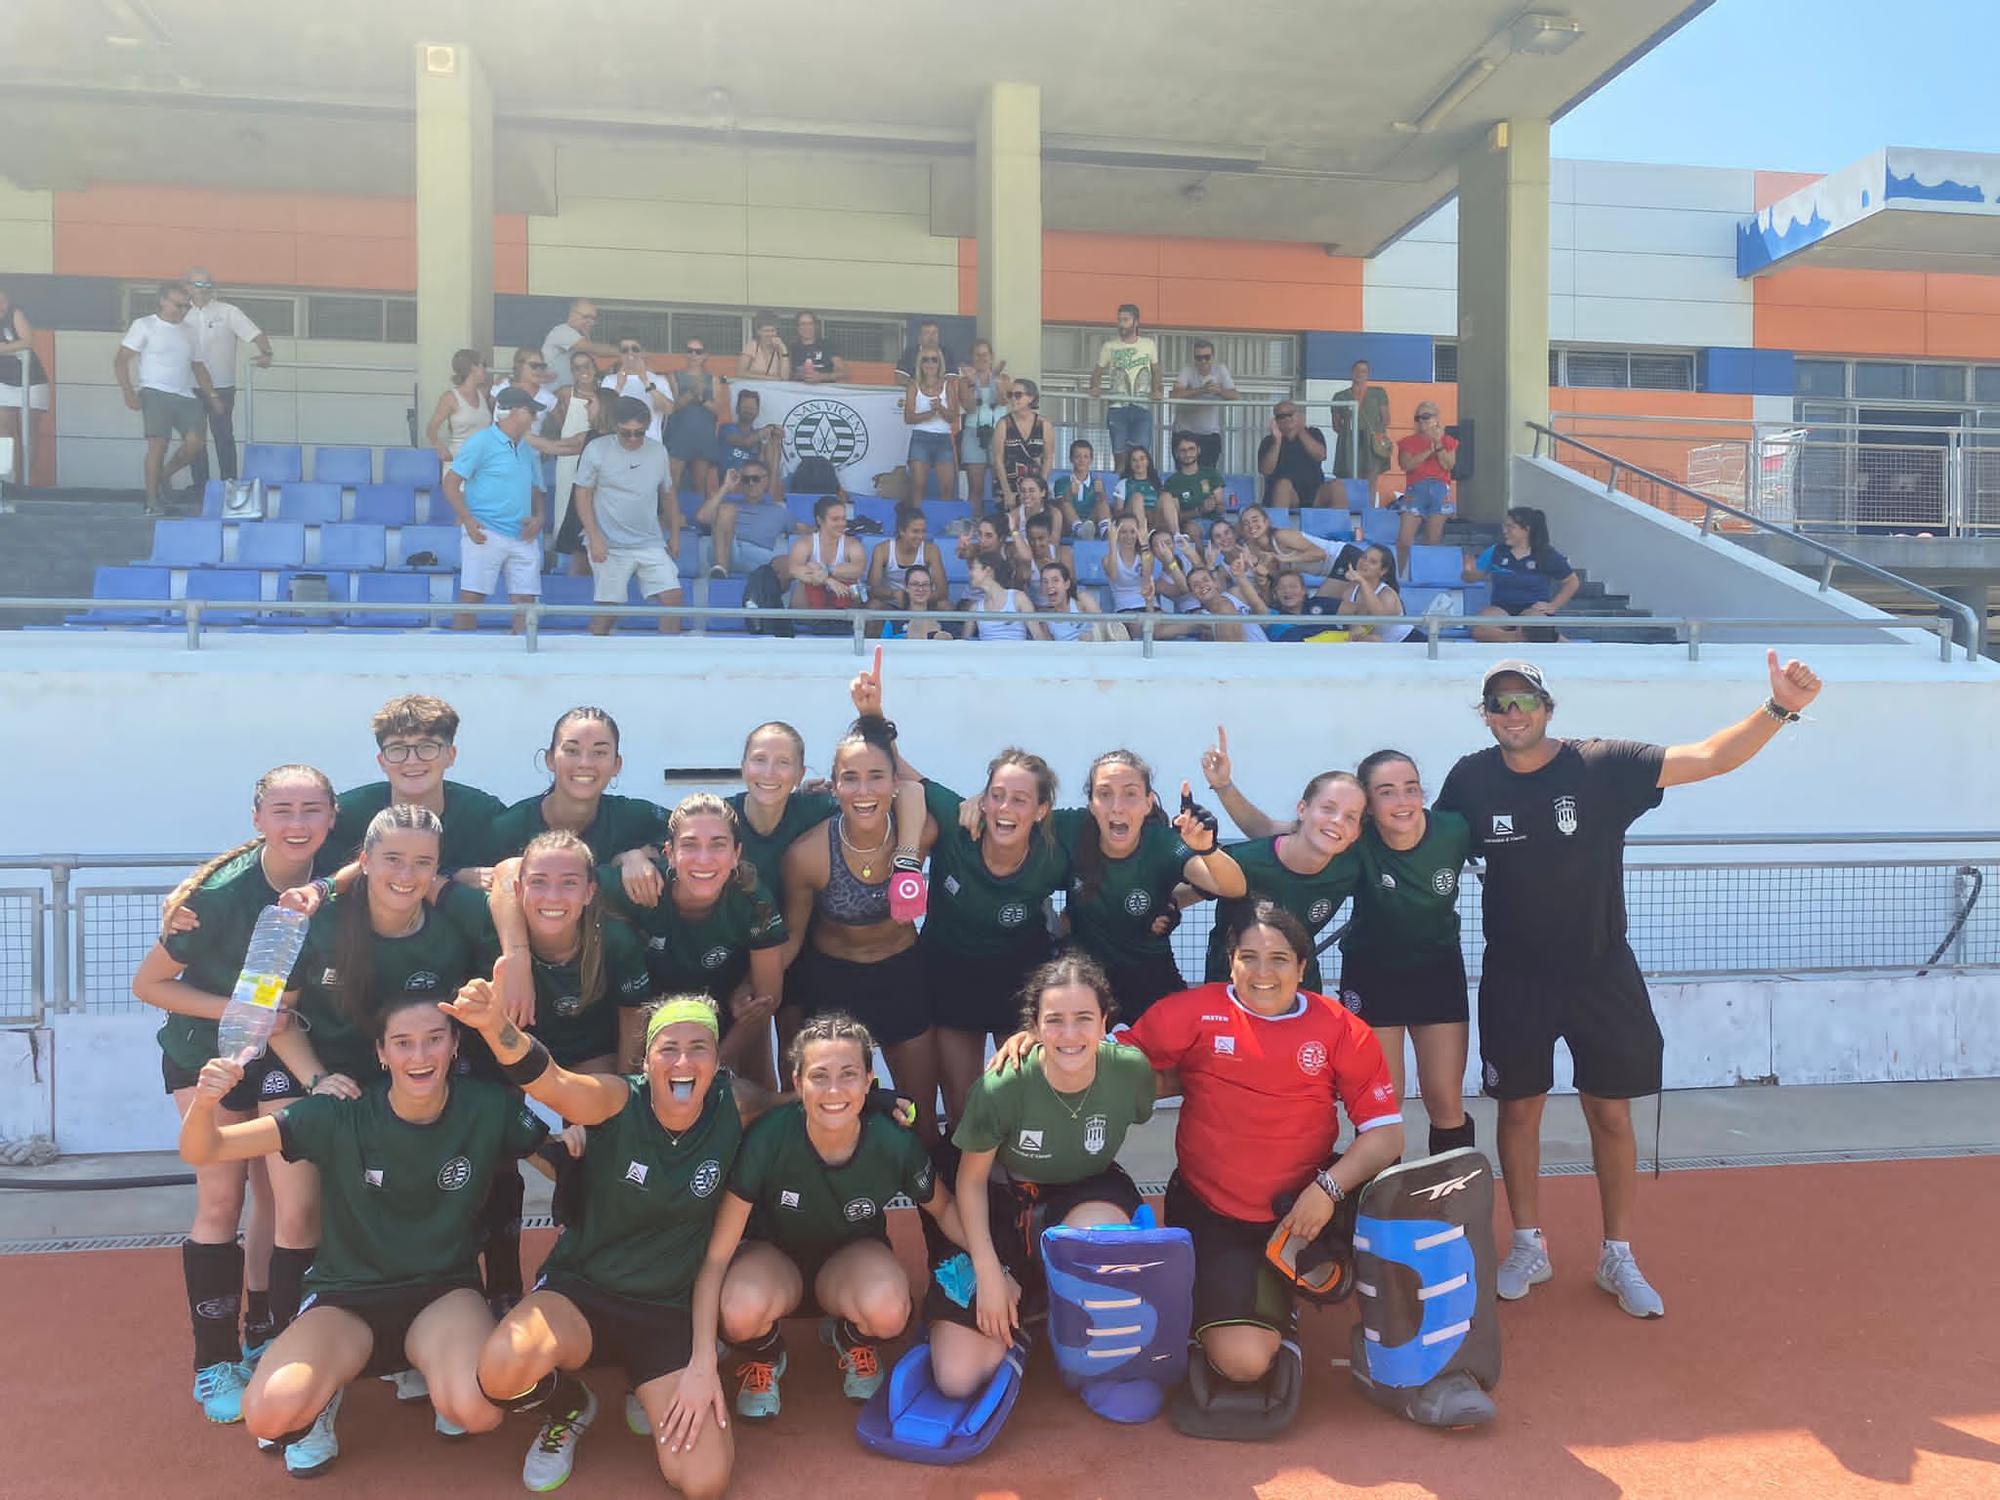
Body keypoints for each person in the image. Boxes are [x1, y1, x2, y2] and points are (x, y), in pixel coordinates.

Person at [1434, 654, 1823, 1319]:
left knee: (1610, 1113)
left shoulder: (1602, 765)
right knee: (1520, 1110)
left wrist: (1779, 709)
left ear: (1548, 708)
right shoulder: (1470, 779)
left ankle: (1618, 1253)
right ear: (1486, 716)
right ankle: (1528, 1243)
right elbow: (1421, 842)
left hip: (1601, 970)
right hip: (1514, 976)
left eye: (1523, 700)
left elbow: (1708, 758)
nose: (1512, 714)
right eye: (1498, 704)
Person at [180, 993, 549, 1477]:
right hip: (346, 1297)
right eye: (403, 1043)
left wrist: (575, 1147)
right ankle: (331, 1385)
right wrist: (206, 1104)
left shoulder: (486, 1105)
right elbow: (206, 1150)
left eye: (434, 1040)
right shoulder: (340, 1112)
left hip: (441, 1294)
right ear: (381, 1053)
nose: (420, 1056)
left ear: (455, 1045)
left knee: (476, 1412)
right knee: (268, 1413)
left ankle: (432, 1367)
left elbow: (559, 1158)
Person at [448, 985, 755, 1498]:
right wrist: (494, 1027)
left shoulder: (735, 1104)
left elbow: (806, 1105)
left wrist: (876, 1101)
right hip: (583, 1293)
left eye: (699, 1047)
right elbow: (553, 1082)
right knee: (500, 1371)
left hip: (665, 1311)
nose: (683, 1060)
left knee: (705, 1482)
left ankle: (644, 1382)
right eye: (669, 1048)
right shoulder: (618, 1097)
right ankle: (569, 1405)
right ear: (646, 1059)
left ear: (717, 1057)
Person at [1124, 904, 1403, 1395]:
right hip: (1214, 1211)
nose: (1262, 972)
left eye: (1278, 958)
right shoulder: (1193, 1011)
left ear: (1302, 967)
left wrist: (1327, 1190)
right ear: (1230, 963)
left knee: (1388, 1197)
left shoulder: (1338, 1027)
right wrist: (1033, 1041)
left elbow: (1386, 1136)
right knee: (1245, 1363)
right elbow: (1106, 1056)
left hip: (1300, 1211)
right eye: (1248, 957)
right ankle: (1265, 1302)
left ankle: (1288, 1283)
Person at [131, 765, 337, 1423]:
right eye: (283, 809)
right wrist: (237, 1010)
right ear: (258, 819)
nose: (298, 823)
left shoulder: (328, 889)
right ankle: (213, 1361)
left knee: (286, 1193)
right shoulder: (216, 896)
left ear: (332, 818)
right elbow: (150, 983)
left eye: (311, 810)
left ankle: (270, 1334)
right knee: (223, 1198)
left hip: (277, 1049)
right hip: (203, 1053)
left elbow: (289, 1011)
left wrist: (310, 1074)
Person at [699, 1014, 964, 1418]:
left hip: (850, 1262)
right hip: (775, 1261)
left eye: (849, 1074)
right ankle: (767, 1354)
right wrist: (705, 1346)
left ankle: (849, 1336)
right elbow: (720, 1252)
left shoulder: (892, 1141)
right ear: (796, 1082)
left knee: (891, 1311)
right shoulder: (769, 1136)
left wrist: (991, 1265)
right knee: (735, 1311)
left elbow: (943, 1209)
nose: (835, 1090)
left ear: (869, 1080)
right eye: (819, 1076)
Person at [926, 954, 1154, 1398]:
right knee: (956, 1379)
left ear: (1105, 1021)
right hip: (1005, 1200)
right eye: (1055, 1021)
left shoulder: (1130, 1071)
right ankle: (1020, 1308)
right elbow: (970, 1183)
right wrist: (988, 1271)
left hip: (1087, 1190)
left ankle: (1060, 1306)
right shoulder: (1002, 1085)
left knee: (1097, 1240)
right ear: (1034, 1025)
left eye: (1083, 1019)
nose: (1070, 1035)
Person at [960, 750, 1241, 1022]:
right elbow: (1019, 811)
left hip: (1151, 978)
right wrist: (979, 801)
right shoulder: (1070, 828)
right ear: (1091, 803)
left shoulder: (1163, 843)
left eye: (1130, 794)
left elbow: (1232, 887)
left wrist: (1208, 849)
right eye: (1105, 794)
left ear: (1148, 802)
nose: (1117, 806)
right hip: (1084, 981)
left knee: (1171, 1059)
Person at [778, 710, 943, 1138]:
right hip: (833, 983)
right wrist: (749, 985)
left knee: (921, 1115)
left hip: (901, 976)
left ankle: (932, 1200)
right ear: (834, 786)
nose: (864, 790)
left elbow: (924, 792)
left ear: (894, 784)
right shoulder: (808, 854)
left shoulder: (919, 833)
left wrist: (877, 715)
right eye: (850, 778)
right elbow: (792, 941)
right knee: (829, 1116)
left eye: (876, 777)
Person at [916, 753, 1069, 1126]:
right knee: (961, 1102)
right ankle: (965, 1177)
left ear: (1041, 809)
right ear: (981, 800)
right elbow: (903, 777)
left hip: (1019, 979)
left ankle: (1022, 1181)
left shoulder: (1057, 848)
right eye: (996, 795)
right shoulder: (957, 822)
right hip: (950, 976)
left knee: (1024, 1097)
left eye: (1020, 799)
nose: (1006, 807)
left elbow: (1122, 829)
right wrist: (872, 713)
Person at [595, 794, 788, 1083]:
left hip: (718, 1015)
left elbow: (767, 998)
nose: (704, 859)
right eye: (689, 845)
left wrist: (715, 1064)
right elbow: (563, 884)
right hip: (636, 1015)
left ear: (736, 853)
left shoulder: (752, 900)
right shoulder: (640, 886)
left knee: (750, 1090)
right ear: (669, 853)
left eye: (718, 845)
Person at [1338, 750, 1475, 1158]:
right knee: (1384, 1103)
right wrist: (1225, 788)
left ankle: (1450, 1206)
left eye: (1410, 789)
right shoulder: (1353, 837)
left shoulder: (1453, 830)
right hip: (1372, 973)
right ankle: (1383, 1206)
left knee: (1445, 1101)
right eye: (1386, 792)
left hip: (1437, 970)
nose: (1402, 801)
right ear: (1367, 803)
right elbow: (1279, 838)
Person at [1193, 740, 1367, 996]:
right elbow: (1182, 894)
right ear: (1302, 809)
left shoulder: (1351, 864)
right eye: (1328, 808)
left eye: (1350, 816)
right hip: (1230, 991)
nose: (1337, 821)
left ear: (1357, 832)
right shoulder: (1244, 861)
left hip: (1300, 990)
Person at [495, 830, 654, 1074]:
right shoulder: (495, 929)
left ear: (589, 892)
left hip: (593, 1067)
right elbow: (440, 885)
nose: (553, 896)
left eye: (569, 883)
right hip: (517, 1069)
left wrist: (626, 1092)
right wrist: (517, 956)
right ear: (518, 890)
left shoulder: (615, 940)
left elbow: (633, 1013)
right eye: (538, 881)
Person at [317, 694, 508, 886]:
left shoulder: (483, 815)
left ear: (451, 755)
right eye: (397, 749)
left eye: (426, 747)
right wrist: (451, 876)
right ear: (382, 761)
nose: (412, 761)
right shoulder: (347, 816)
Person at [485, 706, 669, 866]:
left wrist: (636, 856)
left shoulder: (635, 818)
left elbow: (689, 832)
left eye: (599, 752)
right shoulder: (510, 828)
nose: (585, 763)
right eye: (571, 751)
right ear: (549, 759)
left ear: (616, 765)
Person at [573, 396, 685, 636]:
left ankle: (671, 658)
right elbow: (582, 494)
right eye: (627, 433)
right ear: (615, 427)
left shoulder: (658, 451)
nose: (634, 439)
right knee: (607, 610)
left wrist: (675, 534)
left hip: (650, 540)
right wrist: (594, 537)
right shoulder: (596, 449)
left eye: (639, 433)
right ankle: (593, 662)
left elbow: (668, 494)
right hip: (608, 541)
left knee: (673, 598)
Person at [443, 386, 545, 632]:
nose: (536, 417)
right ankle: (461, 659)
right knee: (473, 597)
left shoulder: (526, 448)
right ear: (516, 413)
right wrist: (467, 519)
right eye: (532, 412)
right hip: (485, 530)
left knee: (526, 601)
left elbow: (535, 488)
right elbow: (450, 482)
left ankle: (524, 656)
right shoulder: (481, 442)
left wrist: (540, 517)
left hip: (522, 534)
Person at [114, 281, 222, 515]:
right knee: (157, 445)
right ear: (163, 301)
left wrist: (212, 395)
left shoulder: (190, 331)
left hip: (185, 394)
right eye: (179, 305)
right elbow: (121, 360)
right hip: (154, 392)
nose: (183, 311)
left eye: (187, 307)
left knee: (195, 443)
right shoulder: (144, 325)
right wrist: (128, 392)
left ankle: (163, 476)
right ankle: (152, 501)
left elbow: (198, 366)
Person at [183, 269, 273, 490]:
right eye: (197, 285)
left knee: (223, 436)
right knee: (195, 440)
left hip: (222, 387)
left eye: (206, 285)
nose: (202, 290)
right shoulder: (181, 313)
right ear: (187, 287)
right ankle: (201, 487)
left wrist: (266, 353)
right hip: (189, 387)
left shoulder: (228, 311)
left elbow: (255, 334)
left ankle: (229, 485)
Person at [1464, 506, 1580, 644]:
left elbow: (1572, 581)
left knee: (1536, 627)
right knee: (1480, 628)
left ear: (1526, 529)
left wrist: (1553, 605)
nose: (1504, 531)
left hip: (1533, 609)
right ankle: (1519, 637)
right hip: (1502, 609)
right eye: (1504, 526)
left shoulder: (1545, 554)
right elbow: (1472, 578)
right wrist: (1468, 573)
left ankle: (1532, 635)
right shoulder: (1496, 551)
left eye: (1510, 527)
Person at [547, 348, 611, 566]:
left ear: (594, 368)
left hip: (596, 453)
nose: (583, 371)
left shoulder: (605, 393)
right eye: (577, 368)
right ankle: (564, 547)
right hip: (569, 457)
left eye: (587, 366)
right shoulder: (566, 393)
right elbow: (555, 414)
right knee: (566, 499)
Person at [697, 461, 796, 581]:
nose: (751, 483)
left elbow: (801, 529)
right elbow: (702, 517)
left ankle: (721, 573)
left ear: (766, 481)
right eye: (745, 479)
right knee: (726, 510)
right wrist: (726, 487)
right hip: (723, 551)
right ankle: (721, 570)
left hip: (757, 556)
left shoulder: (779, 510)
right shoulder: (727, 504)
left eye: (755, 479)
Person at [1089, 303, 1161, 461]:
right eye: (1119, 320)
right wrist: (1095, 387)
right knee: (1120, 455)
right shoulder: (1110, 346)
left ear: (1136, 322)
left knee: (1141, 455)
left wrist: (1156, 390)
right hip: (1117, 407)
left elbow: (1156, 370)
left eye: (1126, 320)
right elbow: (1097, 371)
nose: (1121, 324)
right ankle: (1119, 484)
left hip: (1141, 406)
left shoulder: (1148, 344)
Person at [1394, 401, 1458, 572]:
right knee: (1404, 540)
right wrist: (1429, 451)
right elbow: (1407, 464)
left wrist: (1438, 445)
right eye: (1418, 417)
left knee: (1433, 540)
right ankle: (1399, 575)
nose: (1421, 420)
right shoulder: (1408, 442)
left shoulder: (1448, 441)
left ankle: (1426, 575)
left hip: (1439, 489)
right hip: (1416, 489)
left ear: (1436, 419)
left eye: (1426, 416)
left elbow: (1448, 465)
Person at [786, 494, 866, 622]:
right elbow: (795, 570)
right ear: (820, 520)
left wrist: (827, 571)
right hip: (808, 607)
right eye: (835, 519)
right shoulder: (804, 543)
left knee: (851, 581)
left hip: (844, 604)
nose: (842, 524)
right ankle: (818, 620)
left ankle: (839, 622)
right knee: (807, 579)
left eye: (844, 519)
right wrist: (827, 580)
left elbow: (858, 569)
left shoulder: (852, 545)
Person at [0, 285, 50, 489]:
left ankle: (25, 482)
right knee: (4, 429)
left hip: (31, 380)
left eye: (3, 300)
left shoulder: (14, 313)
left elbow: (28, 341)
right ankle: (6, 481)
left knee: (28, 431)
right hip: (3, 380)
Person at [667, 336, 728, 498]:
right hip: (679, 435)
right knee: (672, 483)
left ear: (705, 355)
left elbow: (718, 410)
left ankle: (695, 520)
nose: (693, 355)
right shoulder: (674, 376)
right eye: (690, 351)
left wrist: (701, 398)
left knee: (699, 486)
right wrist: (691, 394)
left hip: (703, 436)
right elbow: (673, 407)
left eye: (698, 351)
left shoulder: (713, 379)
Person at [1168, 338, 1238, 471]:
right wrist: (1202, 390)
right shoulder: (1187, 370)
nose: (1203, 361)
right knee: (1184, 475)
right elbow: (1174, 395)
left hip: (1209, 433)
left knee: (1208, 477)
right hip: (1184, 433)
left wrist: (1219, 391)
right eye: (1198, 358)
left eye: (1206, 357)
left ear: (1213, 357)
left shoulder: (1220, 370)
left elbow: (1235, 396)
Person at [956, 339, 1009, 513]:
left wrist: (995, 380)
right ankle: (975, 525)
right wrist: (973, 383)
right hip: (973, 431)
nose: (981, 358)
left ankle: (1001, 524)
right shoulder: (964, 381)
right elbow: (969, 407)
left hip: (999, 431)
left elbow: (1002, 400)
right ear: (972, 358)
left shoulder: (1004, 378)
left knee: (1000, 485)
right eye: (977, 355)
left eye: (985, 354)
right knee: (976, 488)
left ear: (991, 357)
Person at [1256, 400, 1337, 513]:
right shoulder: (1268, 441)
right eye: (1281, 416)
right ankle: (1279, 529)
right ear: (1275, 420)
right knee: (1283, 485)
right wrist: (1277, 441)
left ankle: (1340, 528)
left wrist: (1300, 431)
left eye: (1290, 414)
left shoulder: (1313, 433)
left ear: (1298, 415)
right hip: (1284, 495)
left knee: (1336, 487)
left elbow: (1321, 455)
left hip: (1314, 494)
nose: (1287, 419)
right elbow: (1265, 470)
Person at [866, 504, 947, 615]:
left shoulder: (931, 550)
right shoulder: (882, 550)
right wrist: (894, 594)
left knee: (945, 606)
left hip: (923, 600)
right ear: (901, 531)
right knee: (873, 606)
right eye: (915, 531)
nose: (920, 536)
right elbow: (873, 588)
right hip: (892, 602)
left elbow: (942, 590)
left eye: (923, 531)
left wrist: (919, 599)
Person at [902, 350, 961, 503]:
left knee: (947, 488)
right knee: (918, 487)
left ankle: (944, 523)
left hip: (943, 439)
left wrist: (940, 409)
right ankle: (915, 524)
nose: (929, 363)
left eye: (934, 360)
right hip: (921, 438)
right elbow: (908, 418)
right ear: (920, 364)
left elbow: (953, 417)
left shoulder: (948, 386)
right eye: (925, 360)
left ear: (940, 363)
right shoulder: (913, 386)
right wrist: (930, 413)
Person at [992, 378, 1052, 513]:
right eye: (1010, 395)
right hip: (1009, 485)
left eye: (1018, 395)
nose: (1013, 399)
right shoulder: (1003, 424)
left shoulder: (1044, 425)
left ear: (1031, 398)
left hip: (1035, 487)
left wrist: (1039, 489)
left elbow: (1048, 459)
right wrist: (1007, 492)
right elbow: (998, 460)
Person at [600, 337, 674, 446]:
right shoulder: (609, 380)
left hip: (651, 444)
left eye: (635, 349)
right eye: (625, 350)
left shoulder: (659, 380)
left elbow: (668, 409)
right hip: (617, 446)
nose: (630, 353)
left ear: (642, 352)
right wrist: (619, 387)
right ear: (619, 355)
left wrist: (646, 382)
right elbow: (603, 415)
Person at [1329, 359, 1390, 486]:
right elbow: (1336, 425)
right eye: (1356, 370)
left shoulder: (1378, 393)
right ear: (1351, 373)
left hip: (1372, 442)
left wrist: (1377, 434)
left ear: (1368, 374)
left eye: (1363, 371)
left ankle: (1369, 506)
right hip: (1348, 442)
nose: (1359, 373)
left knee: (1371, 479)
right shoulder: (1340, 396)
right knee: (1349, 478)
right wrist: (1348, 433)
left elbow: (1386, 419)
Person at [425, 349, 493, 463]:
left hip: (483, 461)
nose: (486, 370)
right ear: (473, 367)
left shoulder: (482, 394)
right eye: (483, 365)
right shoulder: (450, 398)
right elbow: (431, 429)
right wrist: (441, 449)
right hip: (459, 460)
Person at [1334, 543, 1412, 643]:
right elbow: (1355, 625)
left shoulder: (1388, 594)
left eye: (1373, 562)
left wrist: (1362, 581)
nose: (1364, 563)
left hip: (1407, 641)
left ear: (1383, 570)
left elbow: (1379, 618)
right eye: (1363, 557)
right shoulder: (1350, 591)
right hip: (1379, 646)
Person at [1032, 560, 1116, 642]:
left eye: (1055, 580)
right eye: (1045, 582)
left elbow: (1101, 624)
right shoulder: (1047, 621)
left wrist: (1091, 636)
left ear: (1066, 584)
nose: (1049, 586)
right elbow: (1049, 650)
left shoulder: (1081, 599)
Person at [1163, 432, 1227, 537]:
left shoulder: (1211, 473)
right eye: (1183, 450)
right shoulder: (1172, 482)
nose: (1188, 454)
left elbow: (1221, 507)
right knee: (1191, 529)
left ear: (1199, 450)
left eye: (1191, 449)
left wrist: (1215, 504)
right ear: (1176, 453)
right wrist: (1200, 510)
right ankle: (1198, 554)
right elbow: (1176, 516)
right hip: (1190, 526)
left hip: (1217, 523)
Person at [965, 553, 1034, 641]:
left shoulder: (1018, 598)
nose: (970, 573)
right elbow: (964, 644)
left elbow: (1038, 636)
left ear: (987, 570)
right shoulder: (975, 608)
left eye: (973, 568)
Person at [880, 563, 957, 641]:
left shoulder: (944, 620)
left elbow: (960, 645)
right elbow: (884, 647)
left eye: (925, 584)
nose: (920, 589)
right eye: (915, 584)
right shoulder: (894, 621)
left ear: (932, 587)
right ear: (906, 587)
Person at [542, 299, 618, 376]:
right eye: (586, 317)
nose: (591, 322)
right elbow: (594, 349)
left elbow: (597, 364)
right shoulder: (563, 331)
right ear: (572, 314)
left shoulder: (580, 335)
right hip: (552, 387)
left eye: (593, 319)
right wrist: (624, 352)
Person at [1051, 439, 1109, 538]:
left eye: (1086, 457)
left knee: (1102, 502)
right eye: (1078, 456)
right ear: (1071, 459)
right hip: (1069, 526)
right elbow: (1059, 507)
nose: (1082, 460)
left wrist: (1101, 493)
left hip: (1091, 524)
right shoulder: (1061, 482)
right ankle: (1079, 530)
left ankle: (1106, 533)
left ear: (1091, 460)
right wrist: (1069, 494)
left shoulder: (1097, 482)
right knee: (1065, 503)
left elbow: (1103, 506)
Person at [716, 387, 781, 476]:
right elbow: (745, 442)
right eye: (745, 407)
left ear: (757, 412)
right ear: (737, 409)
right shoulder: (727, 429)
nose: (748, 411)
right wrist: (765, 431)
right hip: (730, 485)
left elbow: (767, 463)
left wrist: (775, 433)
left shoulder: (758, 435)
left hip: (752, 484)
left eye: (752, 408)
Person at [1103, 514, 1156, 615]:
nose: (1128, 537)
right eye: (1123, 532)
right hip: (1125, 610)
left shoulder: (1146, 555)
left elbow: (1146, 578)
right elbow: (1113, 576)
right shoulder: (1107, 559)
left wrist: (1144, 543)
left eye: (1133, 532)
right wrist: (1112, 543)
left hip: (1150, 607)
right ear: (1116, 534)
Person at [1110, 445, 1163, 537]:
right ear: (1130, 464)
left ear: (1148, 461)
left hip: (1154, 519)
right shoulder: (1123, 483)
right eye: (1134, 460)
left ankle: (1176, 534)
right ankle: (1143, 534)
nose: (1138, 463)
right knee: (1137, 497)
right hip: (1132, 520)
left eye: (1142, 459)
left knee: (1166, 498)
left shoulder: (1157, 483)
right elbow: (1118, 512)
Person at [493, 346, 558, 419]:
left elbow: (563, 427)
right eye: (534, 365)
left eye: (542, 366)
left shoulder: (548, 398)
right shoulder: (500, 388)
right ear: (520, 365)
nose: (538, 370)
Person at [789, 311, 847, 384]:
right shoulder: (792, 347)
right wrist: (799, 375)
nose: (807, 327)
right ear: (797, 328)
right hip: (800, 391)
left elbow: (843, 373)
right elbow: (786, 374)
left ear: (816, 326)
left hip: (824, 392)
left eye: (810, 324)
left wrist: (821, 377)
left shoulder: (827, 345)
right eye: (803, 324)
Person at [895, 318, 957, 383]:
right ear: (920, 336)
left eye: (934, 333)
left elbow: (952, 377)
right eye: (927, 333)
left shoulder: (946, 352)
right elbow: (900, 377)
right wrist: (920, 387)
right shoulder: (910, 353)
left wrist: (935, 387)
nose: (931, 337)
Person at [738, 310, 792, 379]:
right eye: (766, 331)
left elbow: (785, 377)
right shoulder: (752, 346)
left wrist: (784, 349)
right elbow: (741, 373)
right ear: (758, 332)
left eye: (773, 330)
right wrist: (769, 378)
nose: (770, 334)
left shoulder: (780, 349)